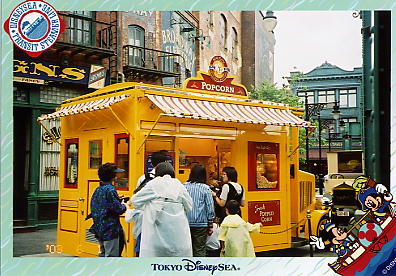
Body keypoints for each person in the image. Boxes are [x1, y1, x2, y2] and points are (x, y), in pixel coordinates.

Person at [132, 162, 193, 257]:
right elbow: (189, 206)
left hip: (155, 237)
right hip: (178, 237)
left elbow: (135, 201)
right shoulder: (180, 186)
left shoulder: (153, 184)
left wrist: (150, 204)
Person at [89, 163, 127, 257]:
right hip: (110, 229)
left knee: (103, 253)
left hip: (99, 228)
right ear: (112, 176)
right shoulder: (110, 190)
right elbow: (119, 209)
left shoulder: (98, 189)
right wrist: (125, 205)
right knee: (111, 256)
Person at [184, 165, 215, 257]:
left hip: (185, 223)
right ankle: (199, 269)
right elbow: (210, 207)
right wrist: (210, 224)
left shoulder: (183, 187)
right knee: (200, 249)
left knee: (186, 249)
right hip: (201, 224)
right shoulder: (205, 188)